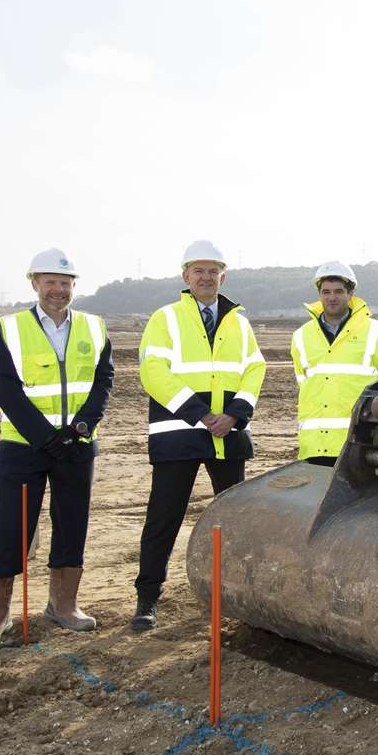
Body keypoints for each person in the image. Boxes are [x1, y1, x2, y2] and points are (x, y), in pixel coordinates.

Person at [0, 249, 114, 650]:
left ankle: (63, 606)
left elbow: (104, 381)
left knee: (72, 526)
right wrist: (45, 437)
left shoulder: (94, 326)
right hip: (23, 447)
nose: (58, 289)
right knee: (12, 530)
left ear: (73, 286)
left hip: (77, 446)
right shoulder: (9, 327)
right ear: (34, 283)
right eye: (50, 281)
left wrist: (81, 427)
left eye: (65, 283)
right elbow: (5, 388)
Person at [130, 240, 265, 632]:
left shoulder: (239, 321)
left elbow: (253, 369)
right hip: (180, 435)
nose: (206, 278)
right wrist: (202, 414)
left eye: (213, 271)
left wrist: (235, 416)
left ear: (224, 276)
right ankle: (148, 600)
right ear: (185, 276)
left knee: (231, 520)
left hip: (228, 435)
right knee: (163, 518)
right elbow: (153, 372)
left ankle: (233, 597)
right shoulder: (166, 318)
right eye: (199, 271)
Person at [291, 261, 378, 465]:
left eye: (339, 291)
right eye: (326, 291)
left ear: (351, 294)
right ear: (319, 294)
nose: (332, 297)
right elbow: (305, 385)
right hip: (314, 445)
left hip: (360, 442)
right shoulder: (300, 336)